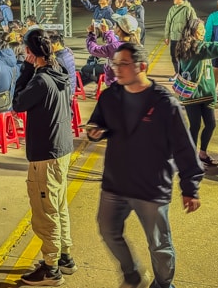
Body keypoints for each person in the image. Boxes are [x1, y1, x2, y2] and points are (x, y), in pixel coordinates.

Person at [86, 43, 203, 288]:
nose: (117, 69)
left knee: (159, 245)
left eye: (123, 64)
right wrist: (95, 131)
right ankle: (132, 274)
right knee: (108, 230)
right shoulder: (110, 96)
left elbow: (184, 147)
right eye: (115, 64)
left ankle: (163, 284)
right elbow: (98, 122)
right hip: (115, 182)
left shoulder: (165, 103)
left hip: (151, 187)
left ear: (142, 66)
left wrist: (190, 187)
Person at [11, 29, 76, 286]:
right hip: (62, 148)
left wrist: (26, 70)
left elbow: (18, 102)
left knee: (45, 212)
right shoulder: (59, 70)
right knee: (58, 206)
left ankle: (51, 268)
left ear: (30, 52)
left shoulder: (40, 80)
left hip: (45, 154)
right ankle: (64, 257)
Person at [172, 18, 218, 166]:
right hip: (193, 94)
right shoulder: (192, 47)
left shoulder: (200, 46)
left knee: (211, 124)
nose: (203, 32)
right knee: (195, 126)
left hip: (207, 94)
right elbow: (209, 47)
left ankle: (202, 153)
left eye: (203, 29)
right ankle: (190, 156)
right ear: (191, 31)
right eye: (200, 30)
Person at [164, 0, 195, 72]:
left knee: (184, 56)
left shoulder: (188, 9)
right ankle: (177, 72)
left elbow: (194, 24)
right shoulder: (172, 9)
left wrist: (192, 37)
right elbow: (168, 22)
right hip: (173, 37)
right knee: (173, 55)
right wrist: (166, 36)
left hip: (184, 38)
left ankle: (183, 73)